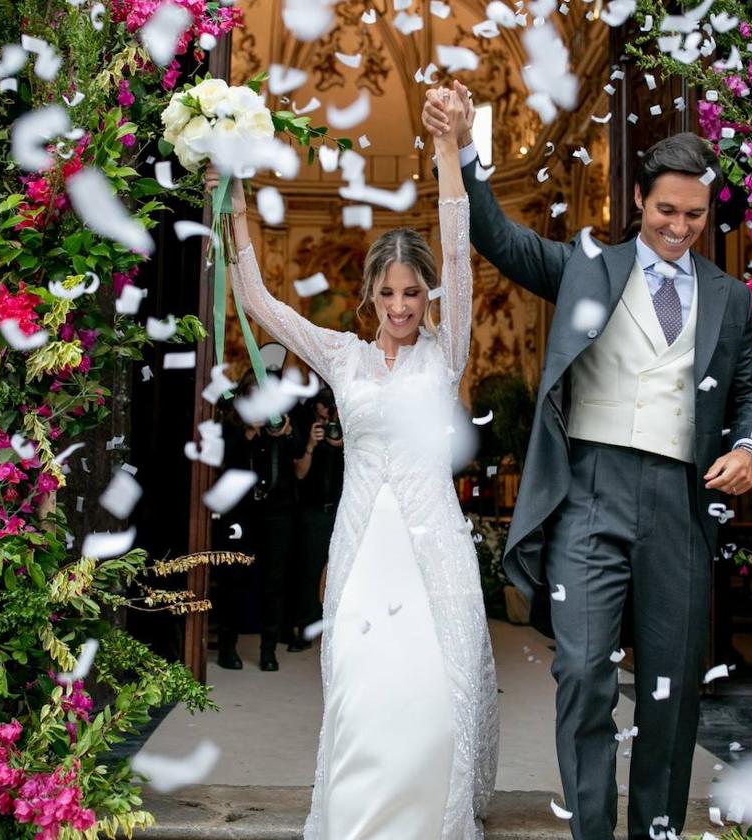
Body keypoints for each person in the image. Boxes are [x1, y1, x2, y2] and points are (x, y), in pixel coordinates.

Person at [423, 84, 752, 840]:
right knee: (582, 673)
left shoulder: (731, 299)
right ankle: (590, 831)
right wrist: (464, 148)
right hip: (588, 492)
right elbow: (500, 237)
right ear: (640, 198)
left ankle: (654, 830)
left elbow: (750, 400)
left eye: (695, 215)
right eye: (666, 210)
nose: (679, 227)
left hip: (679, 502)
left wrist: (747, 449)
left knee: (671, 692)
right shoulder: (587, 267)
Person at [206, 89, 498, 838]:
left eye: (412, 291)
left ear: (427, 294)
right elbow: (262, 304)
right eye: (388, 291)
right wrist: (234, 205)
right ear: (369, 295)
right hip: (365, 548)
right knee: (366, 697)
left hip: (435, 544)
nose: (401, 305)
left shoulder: (450, 349)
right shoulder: (344, 357)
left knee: (436, 697)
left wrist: (446, 151)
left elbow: (458, 242)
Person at [212, 370, 297, 672]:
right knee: (233, 577)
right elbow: (221, 465)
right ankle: (226, 646)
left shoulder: (281, 421)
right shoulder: (230, 426)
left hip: (276, 511)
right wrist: (248, 433)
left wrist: (285, 436)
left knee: (274, 581)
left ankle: (268, 650)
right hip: (240, 512)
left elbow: (299, 460)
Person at [284, 387, 343, 652]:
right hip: (314, 510)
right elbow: (299, 474)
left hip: (345, 510)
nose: (329, 410)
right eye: (324, 404)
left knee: (346, 572)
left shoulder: (351, 431)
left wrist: (346, 444)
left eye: (333, 405)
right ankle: (306, 626)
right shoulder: (306, 429)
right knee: (308, 571)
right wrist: (310, 445)